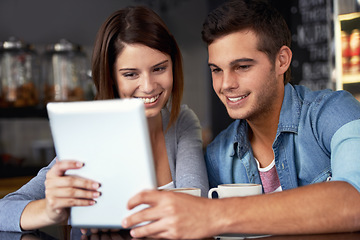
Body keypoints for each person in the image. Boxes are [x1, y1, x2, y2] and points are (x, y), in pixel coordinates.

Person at [120, 0, 360, 239]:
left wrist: (213, 214)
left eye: (242, 66)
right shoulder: (218, 156)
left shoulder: (333, 112)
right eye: (216, 70)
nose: (226, 84)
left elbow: (355, 202)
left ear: (281, 61)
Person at [0, 5, 208, 232]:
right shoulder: (91, 133)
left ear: (173, 65)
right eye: (131, 74)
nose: (148, 86)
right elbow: (4, 209)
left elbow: (196, 209)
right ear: (111, 78)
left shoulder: (182, 122)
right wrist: (52, 210)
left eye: (159, 69)